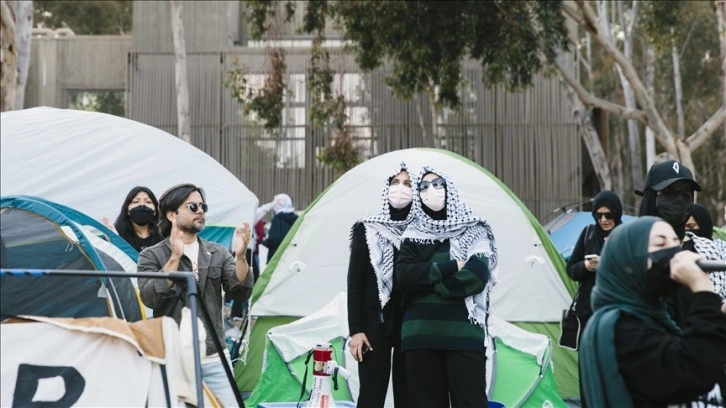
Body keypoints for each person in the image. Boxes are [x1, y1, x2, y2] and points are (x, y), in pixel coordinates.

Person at [580, 216, 726, 407]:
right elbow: (690, 372)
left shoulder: (658, 317)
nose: (675, 254)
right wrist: (703, 288)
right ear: (628, 261)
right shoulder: (616, 328)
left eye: (676, 244)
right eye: (661, 244)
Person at [137, 183, 254, 406]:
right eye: (192, 206)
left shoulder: (217, 252)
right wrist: (174, 258)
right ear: (172, 214)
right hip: (172, 357)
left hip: (214, 355)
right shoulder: (151, 255)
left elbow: (240, 292)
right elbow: (150, 297)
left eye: (203, 206)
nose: (200, 211)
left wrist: (240, 257)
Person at [396, 167, 498, 408]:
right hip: (419, 335)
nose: (430, 191)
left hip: (464, 335)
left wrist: (433, 284)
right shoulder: (412, 234)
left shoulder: (474, 230)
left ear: (449, 188)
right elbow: (405, 277)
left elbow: (477, 275)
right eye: (422, 187)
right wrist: (454, 265)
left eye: (437, 184)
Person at [347, 163, 415, 408]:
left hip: (410, 322)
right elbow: (354, 283)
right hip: (373, 322)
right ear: (386, 189)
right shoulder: (367, 229)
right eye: (395, 182)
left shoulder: (422, 231)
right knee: (371, 396)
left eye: (408, 184)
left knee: (408, 396)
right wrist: (355, 330)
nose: (401, 189)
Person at [637, 160, 726, 323]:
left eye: (686, 191)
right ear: (650, 197)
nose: (679, 198)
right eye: (669, 190)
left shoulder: (708, 251)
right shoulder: (628, 250)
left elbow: (716, 307)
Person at [566, 190, 623, 406]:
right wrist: (586, 266)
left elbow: (634, 271)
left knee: (614, 365)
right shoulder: (588, 233)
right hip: (588, 313)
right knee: (589, 367)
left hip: (618, 314)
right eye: (599, 215)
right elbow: (571, 269)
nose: (604, 220)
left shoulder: (625, 235)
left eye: (608, 215)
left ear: (616, 214)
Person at [103, 186, 163, 253]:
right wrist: (111, 241)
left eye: (148, 202)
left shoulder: (165, 233)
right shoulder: (117, 234)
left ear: (155, 211)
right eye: (136, 202)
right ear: (127, 210)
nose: (142, 205)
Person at [261, 193, 298, 262]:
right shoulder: (296, 219)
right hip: (291, 255)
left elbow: (274, 239)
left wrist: (264, 242)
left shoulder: (277, 219)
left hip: (277, 256)